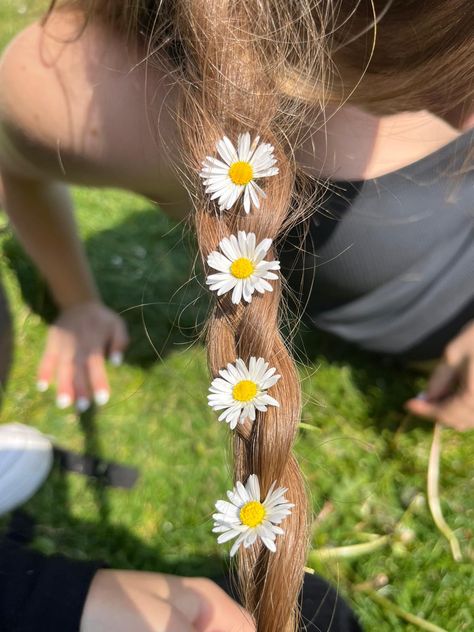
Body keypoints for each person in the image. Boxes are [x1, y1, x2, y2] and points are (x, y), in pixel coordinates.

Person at [0, 1, 472, 630]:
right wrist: (78, 301)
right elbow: (14, 168)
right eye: (441, 75)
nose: (465, 118)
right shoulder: (67, 88)